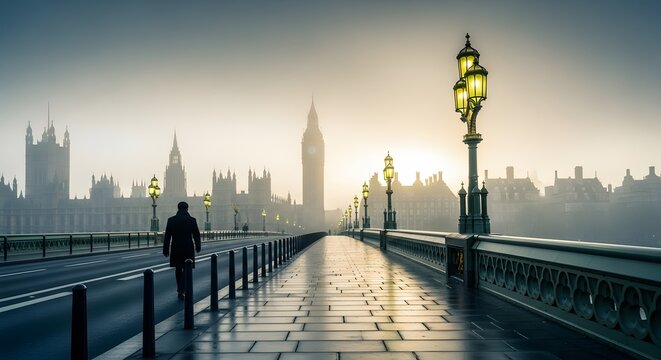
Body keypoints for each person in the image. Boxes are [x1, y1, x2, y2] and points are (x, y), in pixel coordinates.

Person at [163, 201, 201, 300]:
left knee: (178, 268)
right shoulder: (192, 220)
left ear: (178, 208)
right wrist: (198, 246)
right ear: (187, 209)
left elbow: (167, 236)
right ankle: (182, 288)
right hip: (188, 246)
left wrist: (165, 249)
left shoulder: (171, 220)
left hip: (176, 246)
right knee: (187, 267)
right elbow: (196, 234)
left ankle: (180, 289)